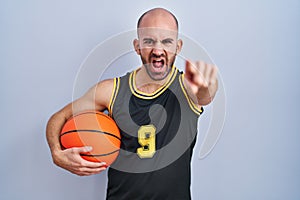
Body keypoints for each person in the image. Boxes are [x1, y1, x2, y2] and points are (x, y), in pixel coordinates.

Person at [46, 7, 218, 200]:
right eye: (149, 41)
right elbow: (58, 118)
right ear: (137, 46)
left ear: (178, 47)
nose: (158, 50)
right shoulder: (111, 90)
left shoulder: (187, 89)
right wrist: (57, 153)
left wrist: (207, 85)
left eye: (167, 41)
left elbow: (205, 95)